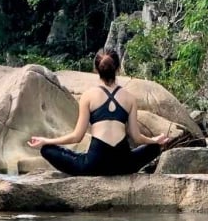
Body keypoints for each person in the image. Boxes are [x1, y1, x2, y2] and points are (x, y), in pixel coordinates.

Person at [27, 48, 173, 175]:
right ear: (117, 69)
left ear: (96, 70)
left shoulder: (88, 96)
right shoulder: (129, 98)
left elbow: (77, 137)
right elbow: (137, 137)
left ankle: (72, 155)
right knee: (154, 148)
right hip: (124, 165)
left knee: (47, 150)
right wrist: (154, 141)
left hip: (94, 165)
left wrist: (47, 141)